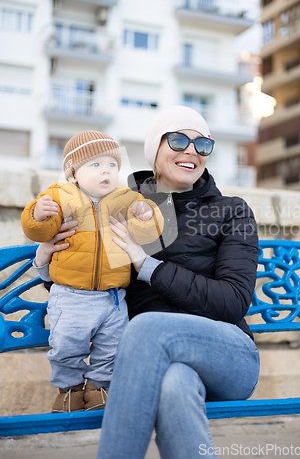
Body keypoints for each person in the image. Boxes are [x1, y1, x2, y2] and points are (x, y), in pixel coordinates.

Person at [36, 106, 260, 458]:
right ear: (154, 147)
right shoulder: (116, 205)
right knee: (173, 385)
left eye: (202, 144)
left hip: (228, 355)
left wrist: (146, 266)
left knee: (146, 327)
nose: (191, 151)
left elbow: (232, 301)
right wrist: (45, 264)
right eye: (179, 139)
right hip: (160, 362)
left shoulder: (232, 210)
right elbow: (90, 291)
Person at [21, 130, 163, 413]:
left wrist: (147, 216)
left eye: (112, 165)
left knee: (112, 348)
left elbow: (149, 232)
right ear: (73, 172)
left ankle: (99, 388)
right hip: (70, 295)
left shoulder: (125, 198)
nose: (106, 171)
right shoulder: (60, 196)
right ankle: (69, 390)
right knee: (65, 346)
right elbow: (41, 230)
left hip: (112, 298)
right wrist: (38, 214)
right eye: (95, 165)